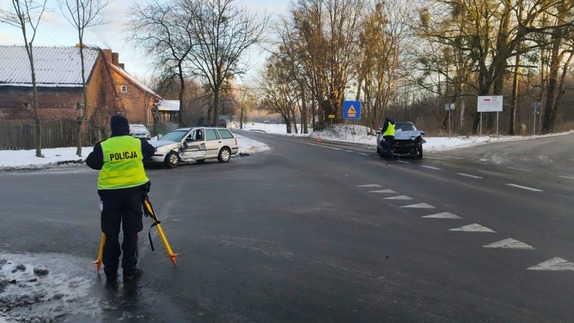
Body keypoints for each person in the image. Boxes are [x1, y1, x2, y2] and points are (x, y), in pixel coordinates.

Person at [86, 115, 155, 282]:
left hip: (110, 196)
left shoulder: (104, 146)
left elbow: (92, 163)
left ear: (112, 128)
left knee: (111, 233)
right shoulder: (138, 144)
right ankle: (129, 270)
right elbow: (151, 152)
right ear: (128, 129)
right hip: (134, 194)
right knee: (131, 233)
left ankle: (110, 271)